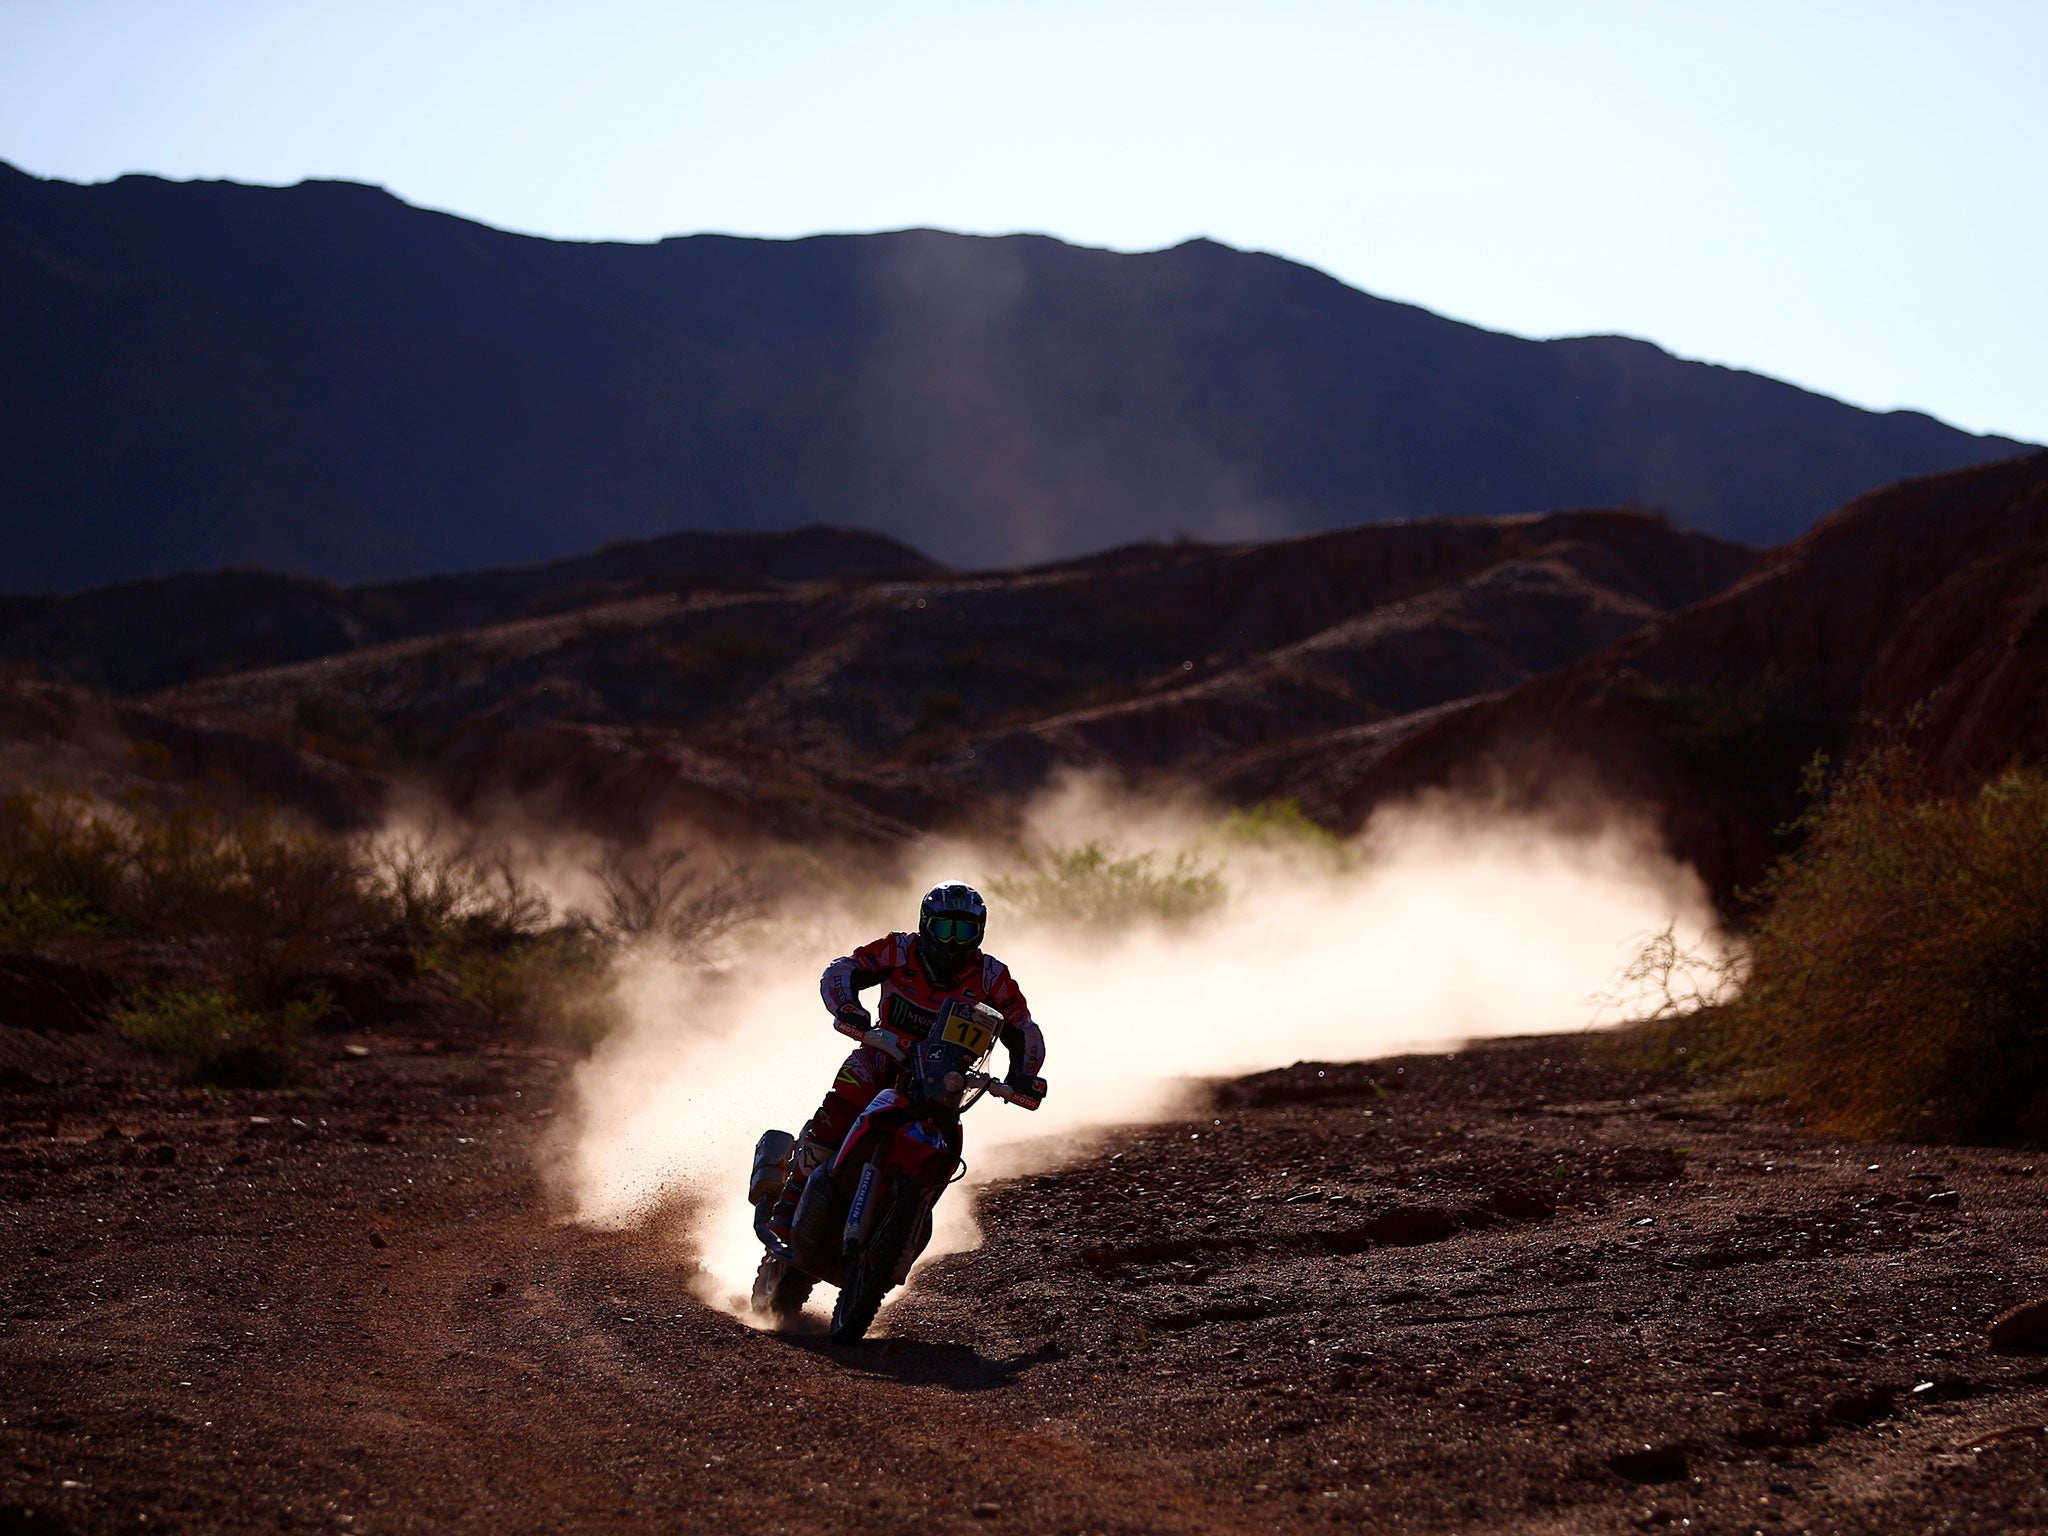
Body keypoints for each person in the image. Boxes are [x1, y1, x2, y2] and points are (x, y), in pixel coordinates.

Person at [764, 880, 1046, 1240]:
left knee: (950, 1145)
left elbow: (1024, 1028)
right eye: (945, 929)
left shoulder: (992, 976)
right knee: (839, 1111)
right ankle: (789, 1202)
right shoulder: (898, 950)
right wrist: (848, 1008)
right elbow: (842, 969)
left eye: (965, 931)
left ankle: (907, 1220)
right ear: (926, 923)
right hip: (883, 1056)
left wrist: (1024, 1075)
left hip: (944, 1080)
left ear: (980, 932)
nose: (953, 941)